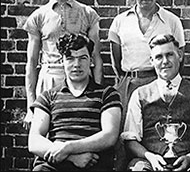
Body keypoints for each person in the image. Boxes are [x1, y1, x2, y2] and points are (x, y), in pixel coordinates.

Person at [108, 0, 185, 170]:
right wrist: (128, 79)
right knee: (124, 139)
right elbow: (115, 60)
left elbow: (179, 57)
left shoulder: (171, 21)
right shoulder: (120, 21)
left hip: (159, 83)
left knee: (159, 136)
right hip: (129, 83)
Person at [22, 0, 103, 130]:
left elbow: (96, 58)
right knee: (46, 134)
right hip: (49, 79)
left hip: (81, 79)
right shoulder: (38, 16)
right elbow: (32, 63)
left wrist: (98, 97)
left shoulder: (88, 14)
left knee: (79, 131)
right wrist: (30, 106)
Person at [121, 34, 190, 171]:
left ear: (179, 55)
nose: (165, 61)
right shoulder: (140, 94)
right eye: (159, 57)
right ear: (152, 61)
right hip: (150, 162)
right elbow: (130, 140)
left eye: (170, 55)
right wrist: (149, 156)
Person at [28, 33, 122, 171]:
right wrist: (71, 156)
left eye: (82, 58)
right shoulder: (48, 96)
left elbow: (109, 136)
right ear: (62, 61)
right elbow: (34, 141)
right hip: (54, 165)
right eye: (70, 58)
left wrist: (69, 147)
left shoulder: (107, 94)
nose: (76, 65)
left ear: (91, 61)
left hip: (92, 163)